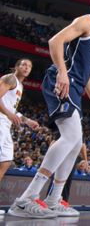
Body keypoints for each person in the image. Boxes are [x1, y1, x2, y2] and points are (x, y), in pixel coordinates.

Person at [9, 0, 90, 218]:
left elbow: (87, 73)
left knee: (76, 143)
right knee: (70, 137)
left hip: (76, 86)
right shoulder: (86, 21)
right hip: (62, 81)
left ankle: (54, 199)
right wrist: (62, 74)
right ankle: (25, 199)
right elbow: (55, 41)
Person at [0, 58, 41, 215]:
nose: (26, 67)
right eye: (24, 64)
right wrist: (9, 114)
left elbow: (11, 108)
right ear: (16, 67)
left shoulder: (20, 86)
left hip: (5, 123)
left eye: (29, 66)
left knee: (5, 161)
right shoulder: (9, 78)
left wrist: (27, 121)